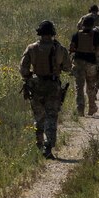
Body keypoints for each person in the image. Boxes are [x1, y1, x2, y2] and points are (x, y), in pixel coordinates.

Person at [20, 20, 71, 159]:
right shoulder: (59, 49)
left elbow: (23, 69)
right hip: (53, 87)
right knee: (51, 117)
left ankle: (39, 144)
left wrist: (30, 76)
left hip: (36, 86)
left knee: (39, 117)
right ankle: (48, 146)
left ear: (39, 33)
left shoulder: (31, 48)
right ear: (52, 33)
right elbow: (67, 67)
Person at [69, 14, 99, 116]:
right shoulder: (96, 35)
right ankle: (92, 107)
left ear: (83, 24)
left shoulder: (76, 35)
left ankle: (80, 109)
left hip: (78, 63)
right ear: (93, 25)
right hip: (91, 64)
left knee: (79, 87)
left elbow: (71, 49)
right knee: (91, 86)